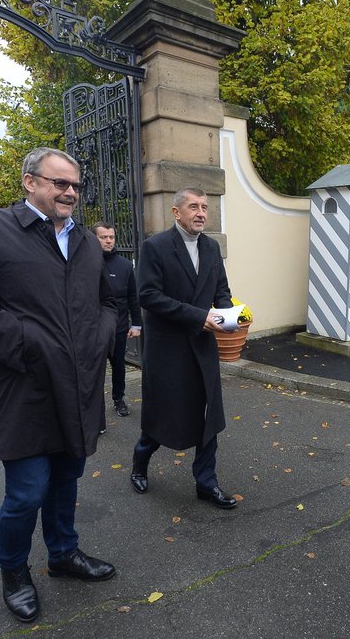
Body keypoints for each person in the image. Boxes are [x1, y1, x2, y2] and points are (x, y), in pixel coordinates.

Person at [0, 147, 118, 624]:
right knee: (26, 491)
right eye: (59, 182)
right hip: (24, 388)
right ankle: (14, 572)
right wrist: (29, 345)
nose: (69, 192)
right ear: (29, 182)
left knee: (67, 479)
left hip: (78, 387)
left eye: (75, 186)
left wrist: (98, 340)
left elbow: (107, 302)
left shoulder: (83, 241)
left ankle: (63, 555)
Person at [129, 187, 238, 509]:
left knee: (208, 415)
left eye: (205, 207)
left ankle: (207, 483)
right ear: (176, 212)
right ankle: (140, 461)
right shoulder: (156, 247)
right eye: (194, 206)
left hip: (202, 348)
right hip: (167, 351)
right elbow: (147, 295)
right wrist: (197, 315)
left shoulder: (212, 247)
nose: (201, 212)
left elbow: (222, 291)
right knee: (164, 415)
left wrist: (231, 317)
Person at [90, 222, 142, 417]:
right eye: (103, 237)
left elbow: (132, 297)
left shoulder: (125, 265)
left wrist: (136, 323)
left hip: (119, 327)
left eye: (111, 237)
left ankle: (118, 399)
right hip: (93, 329)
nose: (109, 240)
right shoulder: (84, 263)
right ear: (94, 239)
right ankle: (94, 407)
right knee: (94, 370)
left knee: (119, 366)